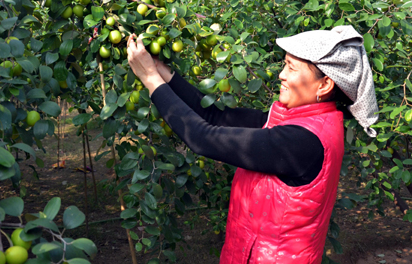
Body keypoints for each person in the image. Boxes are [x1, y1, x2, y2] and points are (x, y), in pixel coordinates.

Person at [126, 25, 379, 263]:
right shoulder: (295, 122)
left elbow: (203, 138)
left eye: (291, 68)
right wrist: (162, 71)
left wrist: (150, 79)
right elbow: (216, 116)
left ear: (324, 85)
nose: (281, 74)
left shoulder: (302, 142)